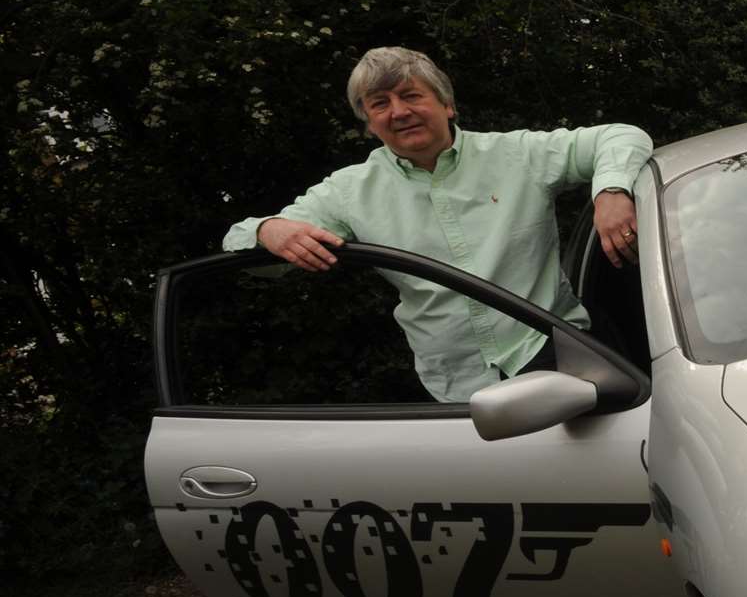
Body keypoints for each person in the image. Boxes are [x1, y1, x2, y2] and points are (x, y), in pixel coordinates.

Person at [223, 46, 653, 402]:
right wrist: (269, 230)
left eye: (411, 96)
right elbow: (245, 253)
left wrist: (611, 192)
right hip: (454, 387)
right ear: (370, 123)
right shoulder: (348, 191)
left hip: (557, 355)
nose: (398, 112)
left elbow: (621, 136)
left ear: (447, 105)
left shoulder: (517, 155)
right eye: (380, 104)